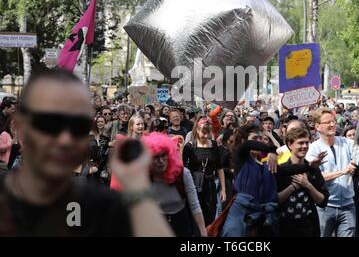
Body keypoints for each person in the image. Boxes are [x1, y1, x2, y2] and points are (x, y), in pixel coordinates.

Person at [0, 68, 172, 236]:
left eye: (79, 126)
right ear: (19, 126)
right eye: (51, 123)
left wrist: (137, 186)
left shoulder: (100, 205)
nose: (65, 139)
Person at [220, 125, 326, 237]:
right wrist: (270, 149)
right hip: (242, 214)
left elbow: (286, 170)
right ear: (243, 140)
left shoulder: (267, 165)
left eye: (261, 139)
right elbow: (248, 145)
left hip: (263, 217)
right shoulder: (241, 158)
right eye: (255, 138)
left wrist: (309, 166)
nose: (259, 141)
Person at [305, 108, 359, 237]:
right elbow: (316, 177)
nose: (332, 124)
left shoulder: (347, 143)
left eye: (333, 121)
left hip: (347, 205)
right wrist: (343, 171)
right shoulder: (313, 148)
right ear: (318, 126)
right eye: (327, 122)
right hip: (325, 206)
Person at [143, 132, 207, 237]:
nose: (160, 161)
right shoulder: (145, 177)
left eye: (163, 155)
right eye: (156, 157)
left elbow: (195, 205)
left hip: (182, 223)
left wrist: (203, 232)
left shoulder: (182, 173)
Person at [276, 128, 329, 237]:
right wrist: (293, 187)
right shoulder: (281, 170)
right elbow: (274, 200)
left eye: (306, 142)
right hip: (284, 227)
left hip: (308, 227)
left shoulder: (313, 169)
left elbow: (322, 201)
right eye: (300, 143)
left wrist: (308, 185)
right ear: (290, 145)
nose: (304, 146)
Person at [183, 117, 226, 226]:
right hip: (194, 185)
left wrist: (223, 189)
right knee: (195, 215)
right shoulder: (189, 147)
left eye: (208, 132)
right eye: (203, 132)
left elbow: (219, 168)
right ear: (197, 130)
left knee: (210, 214)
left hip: (210, 185)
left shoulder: (214, 145)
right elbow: (183, 168)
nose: (206, 136)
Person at [88, 116, 110, 185]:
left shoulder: (107, 136)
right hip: (92, 165)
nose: (100, 123)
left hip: (104, 165)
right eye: (98, 122)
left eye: (102, 122)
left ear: (105, 123)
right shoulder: (91, 135)